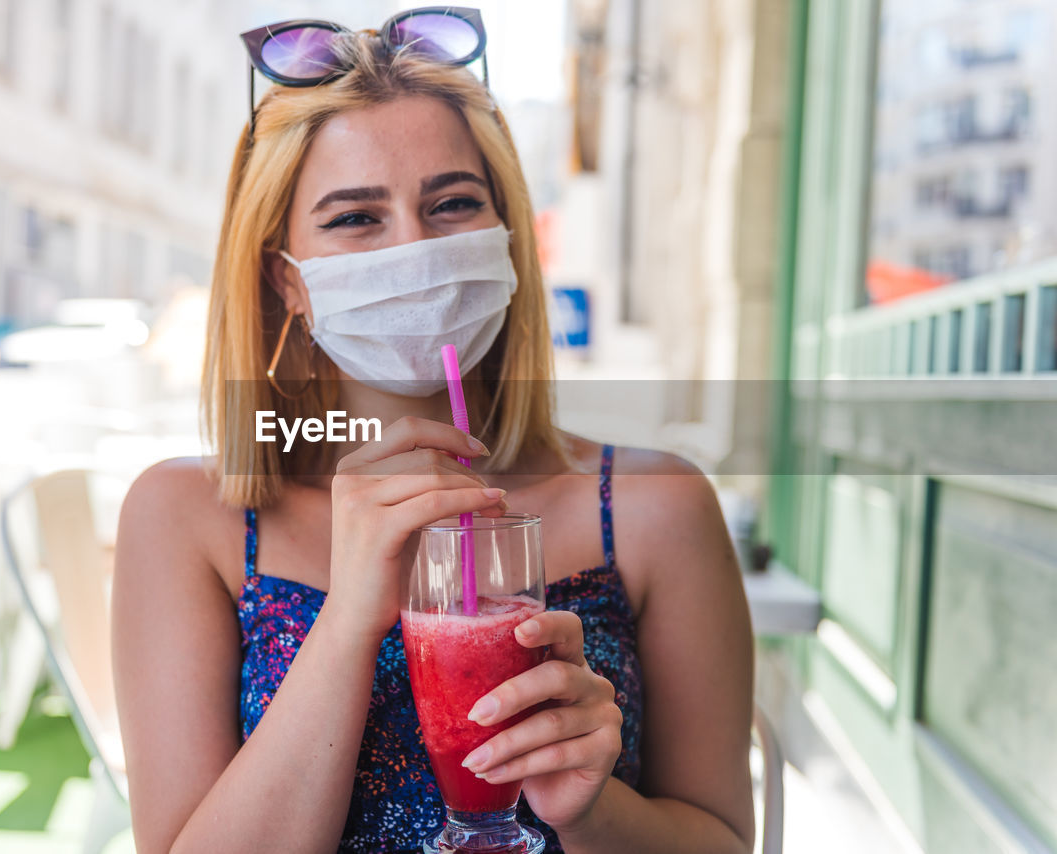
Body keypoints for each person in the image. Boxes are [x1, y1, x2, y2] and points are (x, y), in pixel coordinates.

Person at [112, 9, 755, 853]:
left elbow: (721, 839)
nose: (413, 247)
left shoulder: (655, 507)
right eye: (355, 218)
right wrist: (348, 620)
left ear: (506, 242)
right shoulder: (185, 515)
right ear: (288, 282)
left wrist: (591, 810)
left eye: (452, 203)